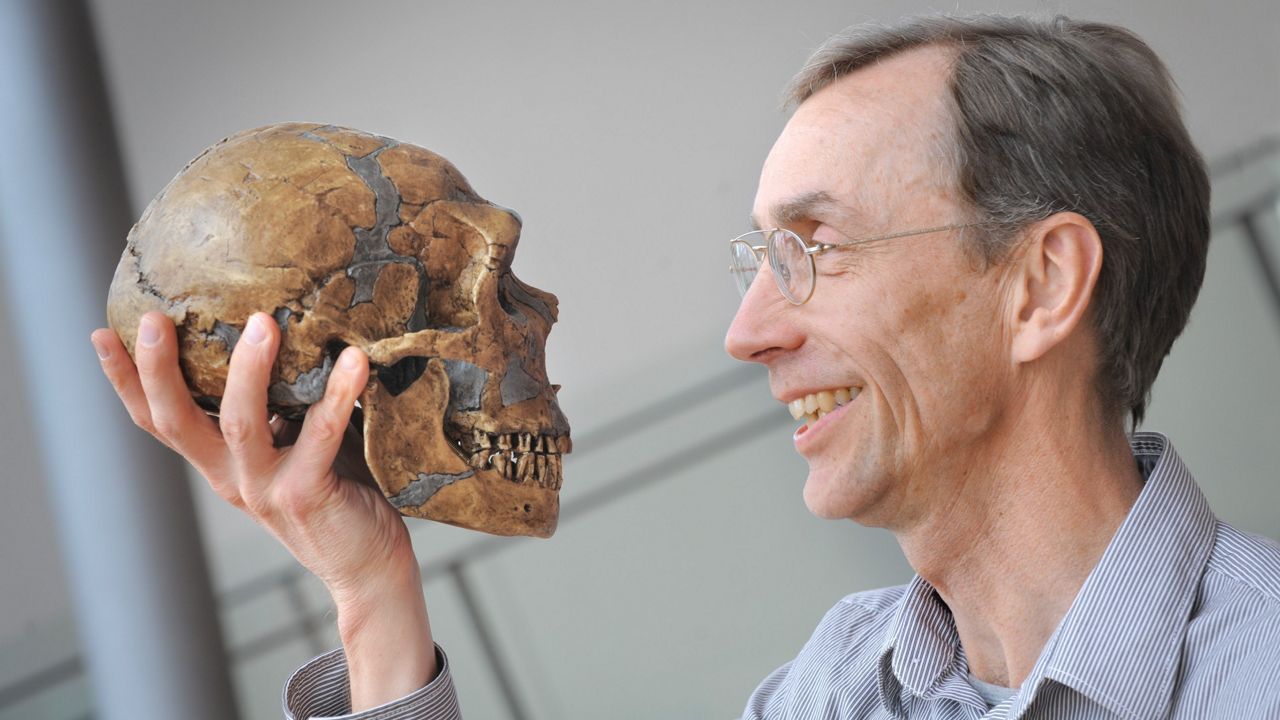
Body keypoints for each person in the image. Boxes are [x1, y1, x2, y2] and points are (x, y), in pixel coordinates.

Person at [90, 13, 1280, 720]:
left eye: (811, 249)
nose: (747, 330)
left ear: (1040, 286)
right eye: (756, 258)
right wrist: (369, 595)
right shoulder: (823, 694)